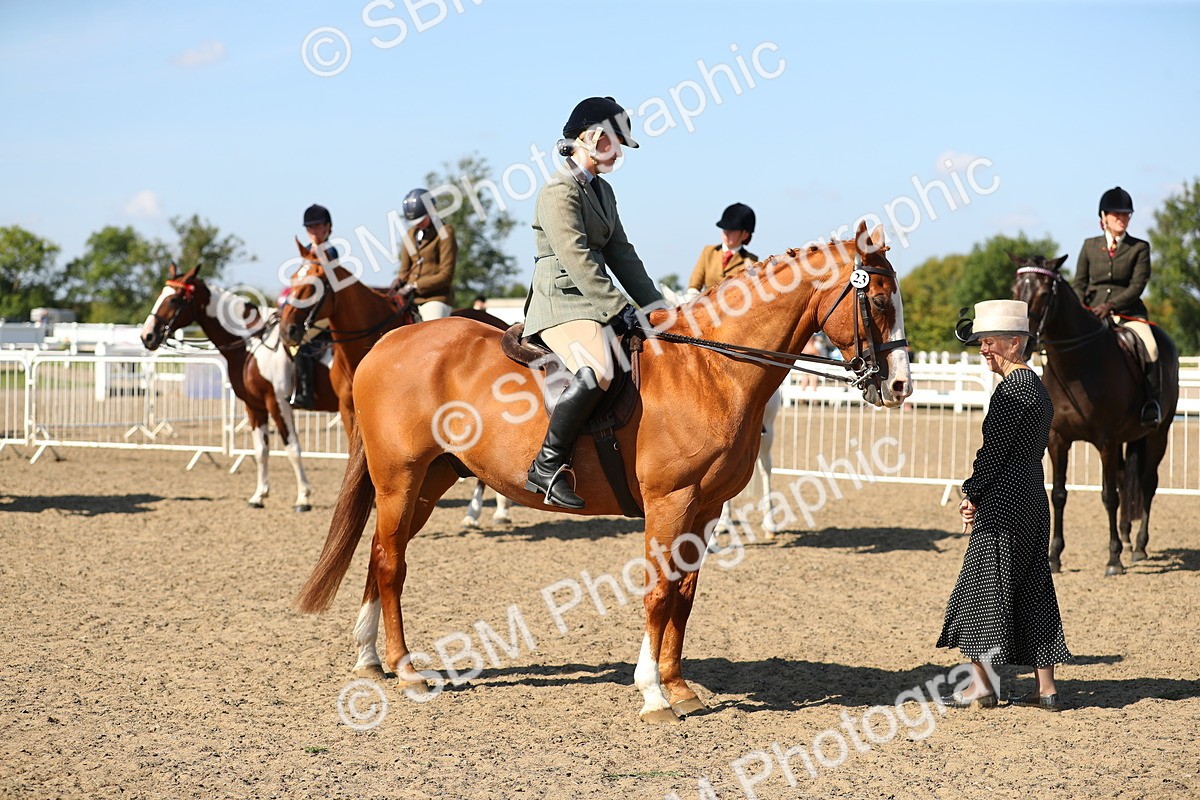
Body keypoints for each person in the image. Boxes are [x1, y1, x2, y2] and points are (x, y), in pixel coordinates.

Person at [522, 96, 663, 509]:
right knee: (599, 365)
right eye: (616, 142)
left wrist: (656, 307)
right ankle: (546, 466)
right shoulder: (557, 190)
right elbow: (576, 256)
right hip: (561, 302)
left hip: (592, 299)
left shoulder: (603, 192)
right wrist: (617, 308)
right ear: (595, 138)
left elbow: (622, 254)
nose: (619, 152)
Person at [938, 299, 1071, 711]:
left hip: (1005, 501)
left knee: (980, 588)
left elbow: (992, 453)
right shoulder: (1039, 388)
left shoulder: (1010, 391)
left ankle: (982, 685)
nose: (983, 350)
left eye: (990, 341)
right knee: (1034, 589)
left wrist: (971, 493)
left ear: (1015, 342)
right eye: (981, 342)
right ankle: (1045, 688)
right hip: (1034, 495)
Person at [1071, 186, 1160, 426]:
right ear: (1103, 218)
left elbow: (1137, 286)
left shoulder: (1139, 248)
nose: (1122, 219)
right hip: (1092, 314)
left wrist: (1110, 305)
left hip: (1128, 313)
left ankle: (1151, 403)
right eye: (1116, 214)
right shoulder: (1089, 245)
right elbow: (1079, 282)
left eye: (1126, 214)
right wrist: (1081, 307)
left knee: (1151, 348)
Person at [290, 203, 337, 409]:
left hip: (325, 312)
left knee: (302, 346)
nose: (313, 231)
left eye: (317, 227)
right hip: (309, 312)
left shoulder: (330, 251)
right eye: (310, 228)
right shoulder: (307, 252)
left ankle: (306, 394)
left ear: (327, 228)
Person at [396, 187, 457, 320]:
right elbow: (404, 270)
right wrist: (399, 281)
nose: (418, 224)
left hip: (435, 298)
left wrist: (416, 285)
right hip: (411, 298)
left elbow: (446, 275)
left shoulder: (445, 233)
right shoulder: (410, 235)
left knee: (431, 333)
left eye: (421, 219)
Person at [686, 203, 758, 298]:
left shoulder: (751, 261)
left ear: (745, 234)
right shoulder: (708, 252)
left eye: (732, 230)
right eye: (724, 228)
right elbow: (694, 285)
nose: (726, 233)